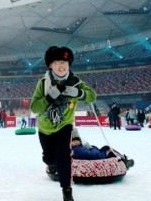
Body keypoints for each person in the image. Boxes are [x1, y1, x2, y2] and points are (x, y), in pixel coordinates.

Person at [30, 46, 96, 201]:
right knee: (49, 158)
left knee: (64, 157)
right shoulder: (43, 83)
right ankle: (50, 163)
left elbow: (92, 96)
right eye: (58, 62)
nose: (62, 66)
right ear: (50, 65)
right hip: (45, 129)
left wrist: (79, 93)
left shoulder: (75, 82)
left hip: (64, 125)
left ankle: (67, 190)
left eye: (65, 63)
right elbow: (34, 107)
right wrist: (48, 98)